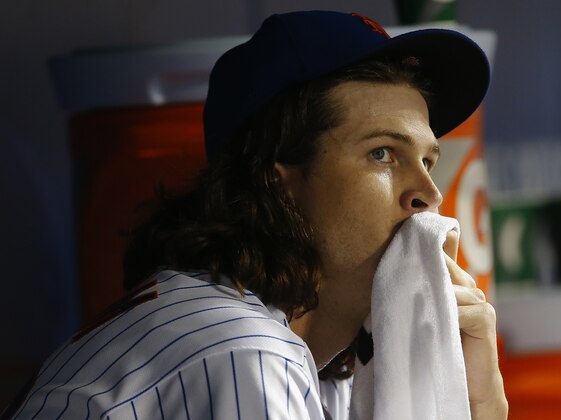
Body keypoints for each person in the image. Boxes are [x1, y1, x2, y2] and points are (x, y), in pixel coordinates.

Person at [4, 10, 507, 420]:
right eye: (382, 154)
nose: (429, 195)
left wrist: (481, 402)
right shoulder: (245, 352)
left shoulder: (321, 363)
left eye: (427, 161)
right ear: (276, 181)